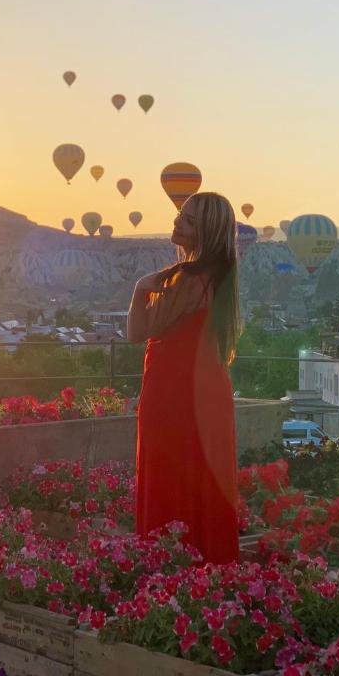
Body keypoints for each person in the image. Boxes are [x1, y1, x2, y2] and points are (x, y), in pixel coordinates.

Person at [126, 192, 242, 563]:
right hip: (207, 390)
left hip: (174, 391)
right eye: (180, 214)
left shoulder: (188, 279)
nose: (178, 223)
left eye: (190, 221)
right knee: (203, 479)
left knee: (168, 477)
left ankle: (168, 569)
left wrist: (140, 289)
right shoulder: (220, 280)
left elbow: (136, 331)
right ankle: (209, 567)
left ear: (206, 232)